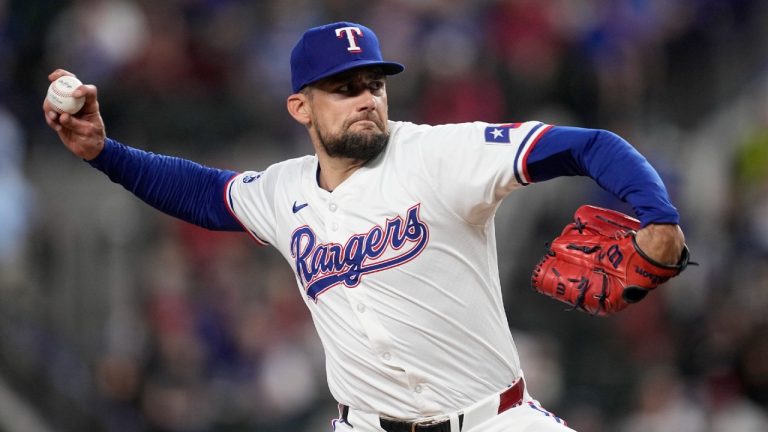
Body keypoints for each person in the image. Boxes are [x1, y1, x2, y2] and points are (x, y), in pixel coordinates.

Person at [43, 21, 686, 432]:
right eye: (344, 87)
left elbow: (589, 145)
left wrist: (658, 218)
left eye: (374, 83)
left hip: (495, 421)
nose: (366, 98)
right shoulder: (285, 190)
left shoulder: (437, 154)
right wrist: (105, 152)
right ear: (300, 106)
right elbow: (203, 194)